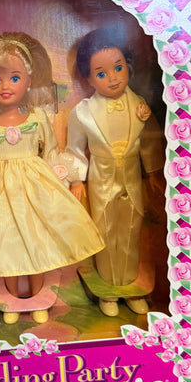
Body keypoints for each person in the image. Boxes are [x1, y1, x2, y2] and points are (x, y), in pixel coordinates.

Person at [0, 32, 104, 323]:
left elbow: (52, 153)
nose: (5, 86)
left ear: (28, 80)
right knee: (6, 240)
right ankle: (12, 301)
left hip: (34, 187)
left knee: (37, 239)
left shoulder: (37, 120)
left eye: (14, 78)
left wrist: (69, 179)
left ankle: (38, 299)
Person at [67, 29, 164, 317]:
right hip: (101, 176)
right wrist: (77, 178)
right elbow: (75, 148)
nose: (113, 78)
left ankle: (129, 286)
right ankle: (109, 289)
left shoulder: (139, 106)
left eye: (118, 68)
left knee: (132, 226)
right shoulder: (83, 112)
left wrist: (154, 173)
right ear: (88, 78)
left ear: (128, 66)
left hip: (132, 175)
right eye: (101, 73)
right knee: (105, 228)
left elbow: (149, 142)